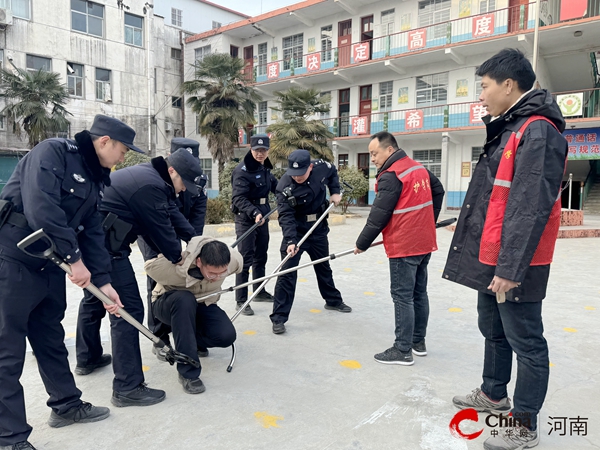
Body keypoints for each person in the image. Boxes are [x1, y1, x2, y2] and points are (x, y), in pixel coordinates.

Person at [443, 49, 567, 450]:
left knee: (526, 341)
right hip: (494, 255)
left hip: (518, 262)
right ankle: (494, 393)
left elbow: (529, 206)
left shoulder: (538, 131)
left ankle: (524, 425)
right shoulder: (511, 128)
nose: (481, 95)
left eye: (484, 86)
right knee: (493, 330)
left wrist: (511, 268)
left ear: (508, 84)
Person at [0, 114, 136, 449]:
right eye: (123, 150)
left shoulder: (95, 177)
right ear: (104, 141)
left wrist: (103, 282)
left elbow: (91, 229)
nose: (124, 157)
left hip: (49, 266)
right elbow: (40, 207)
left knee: (50, 338)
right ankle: (10, 437)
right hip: (12, 261)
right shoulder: (52, 153)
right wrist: (74, 260)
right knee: (7, 352)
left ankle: (66, 406)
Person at [75, 148, 202, 408]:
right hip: (106, 250)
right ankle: (127, 387)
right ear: (172, 171)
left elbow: (173, 214)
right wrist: (183, 259)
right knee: (127, 309)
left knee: (94, 298)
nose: (182, 191)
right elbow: (162, 232)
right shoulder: (150, 186)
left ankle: (87, 358)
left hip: (95, 244)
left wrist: (197, 241)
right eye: (182, 185)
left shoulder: (153, 178)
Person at [354, 131, 444, 366]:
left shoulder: (391, 175)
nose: (372, 159)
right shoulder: (417, 167)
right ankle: (418, 342)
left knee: (402, 296)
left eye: (374, 153)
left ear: (389, 150)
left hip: (404, 245)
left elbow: (378, 215)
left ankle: (402, 349)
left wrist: (361, 243)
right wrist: (429, 222)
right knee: (418, 293)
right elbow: (439, 190)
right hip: (424, 242)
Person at [137, 138, 207, 362]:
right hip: (152, 232)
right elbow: (157, 218)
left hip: (181, 228)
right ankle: (159, 336)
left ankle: (189, 333)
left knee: (189, 277)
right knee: (157, 279)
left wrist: (194, 247)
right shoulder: (156, 179)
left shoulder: (197, 181)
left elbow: (197, 213)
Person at [145, 236, 243, 393]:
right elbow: (149, 267)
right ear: (199, 262)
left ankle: (190, 340)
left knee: (226, 335)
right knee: (184, 299)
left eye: (222, 273)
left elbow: (239, 263)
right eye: (212, 273)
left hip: (203, 303)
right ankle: (188, 374)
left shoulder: (233, 261)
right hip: (170, 305)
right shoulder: (173, 267)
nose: (216, 278)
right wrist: (187, 272)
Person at [270, 149, 351, 335]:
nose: (297, 177)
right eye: (293, 174)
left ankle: (333, 301)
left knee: (323, 266)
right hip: (296, 232)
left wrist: (335, 191)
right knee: (287, 273)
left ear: (311, 167)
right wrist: (291, 240)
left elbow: (333, 173)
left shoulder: (322, 167)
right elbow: (285, 216)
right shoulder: (284, 186)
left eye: (301, 174)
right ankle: (279, 317)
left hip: (318, 228)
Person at [231, 134, 278, 316]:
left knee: (261, 255)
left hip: (263, 216)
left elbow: (275, 186)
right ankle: (241, 299)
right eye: (257, 150)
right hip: (247, 218)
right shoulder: (242, 171)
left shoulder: (264, 167)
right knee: (245, 259)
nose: (260, 153)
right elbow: (238, 198)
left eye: (264, 150)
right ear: (251, 149)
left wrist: (287, 193)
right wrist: (254, 212)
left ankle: (259, 291)